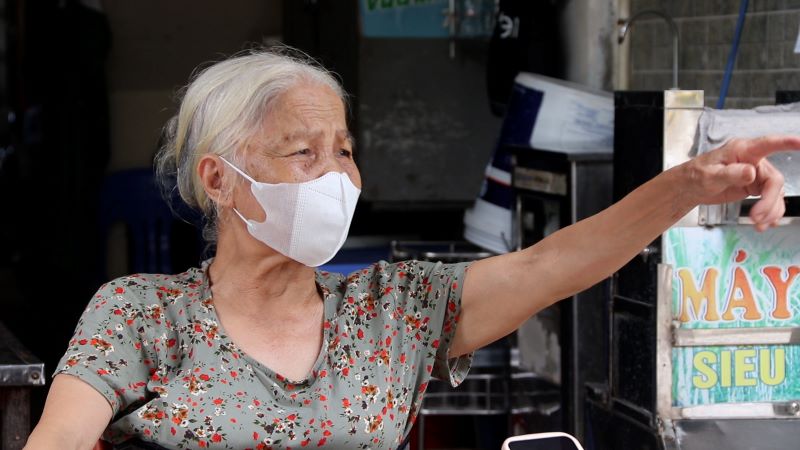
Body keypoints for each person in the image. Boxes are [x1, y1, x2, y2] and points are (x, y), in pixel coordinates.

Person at [24, 48, 800, 450]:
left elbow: (550, 265)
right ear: (220, 180)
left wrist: (688, 185)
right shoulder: (140, 315)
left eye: (346, 149)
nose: (337, 175)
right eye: (305, 153)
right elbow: (56, 439)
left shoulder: (394, 311)